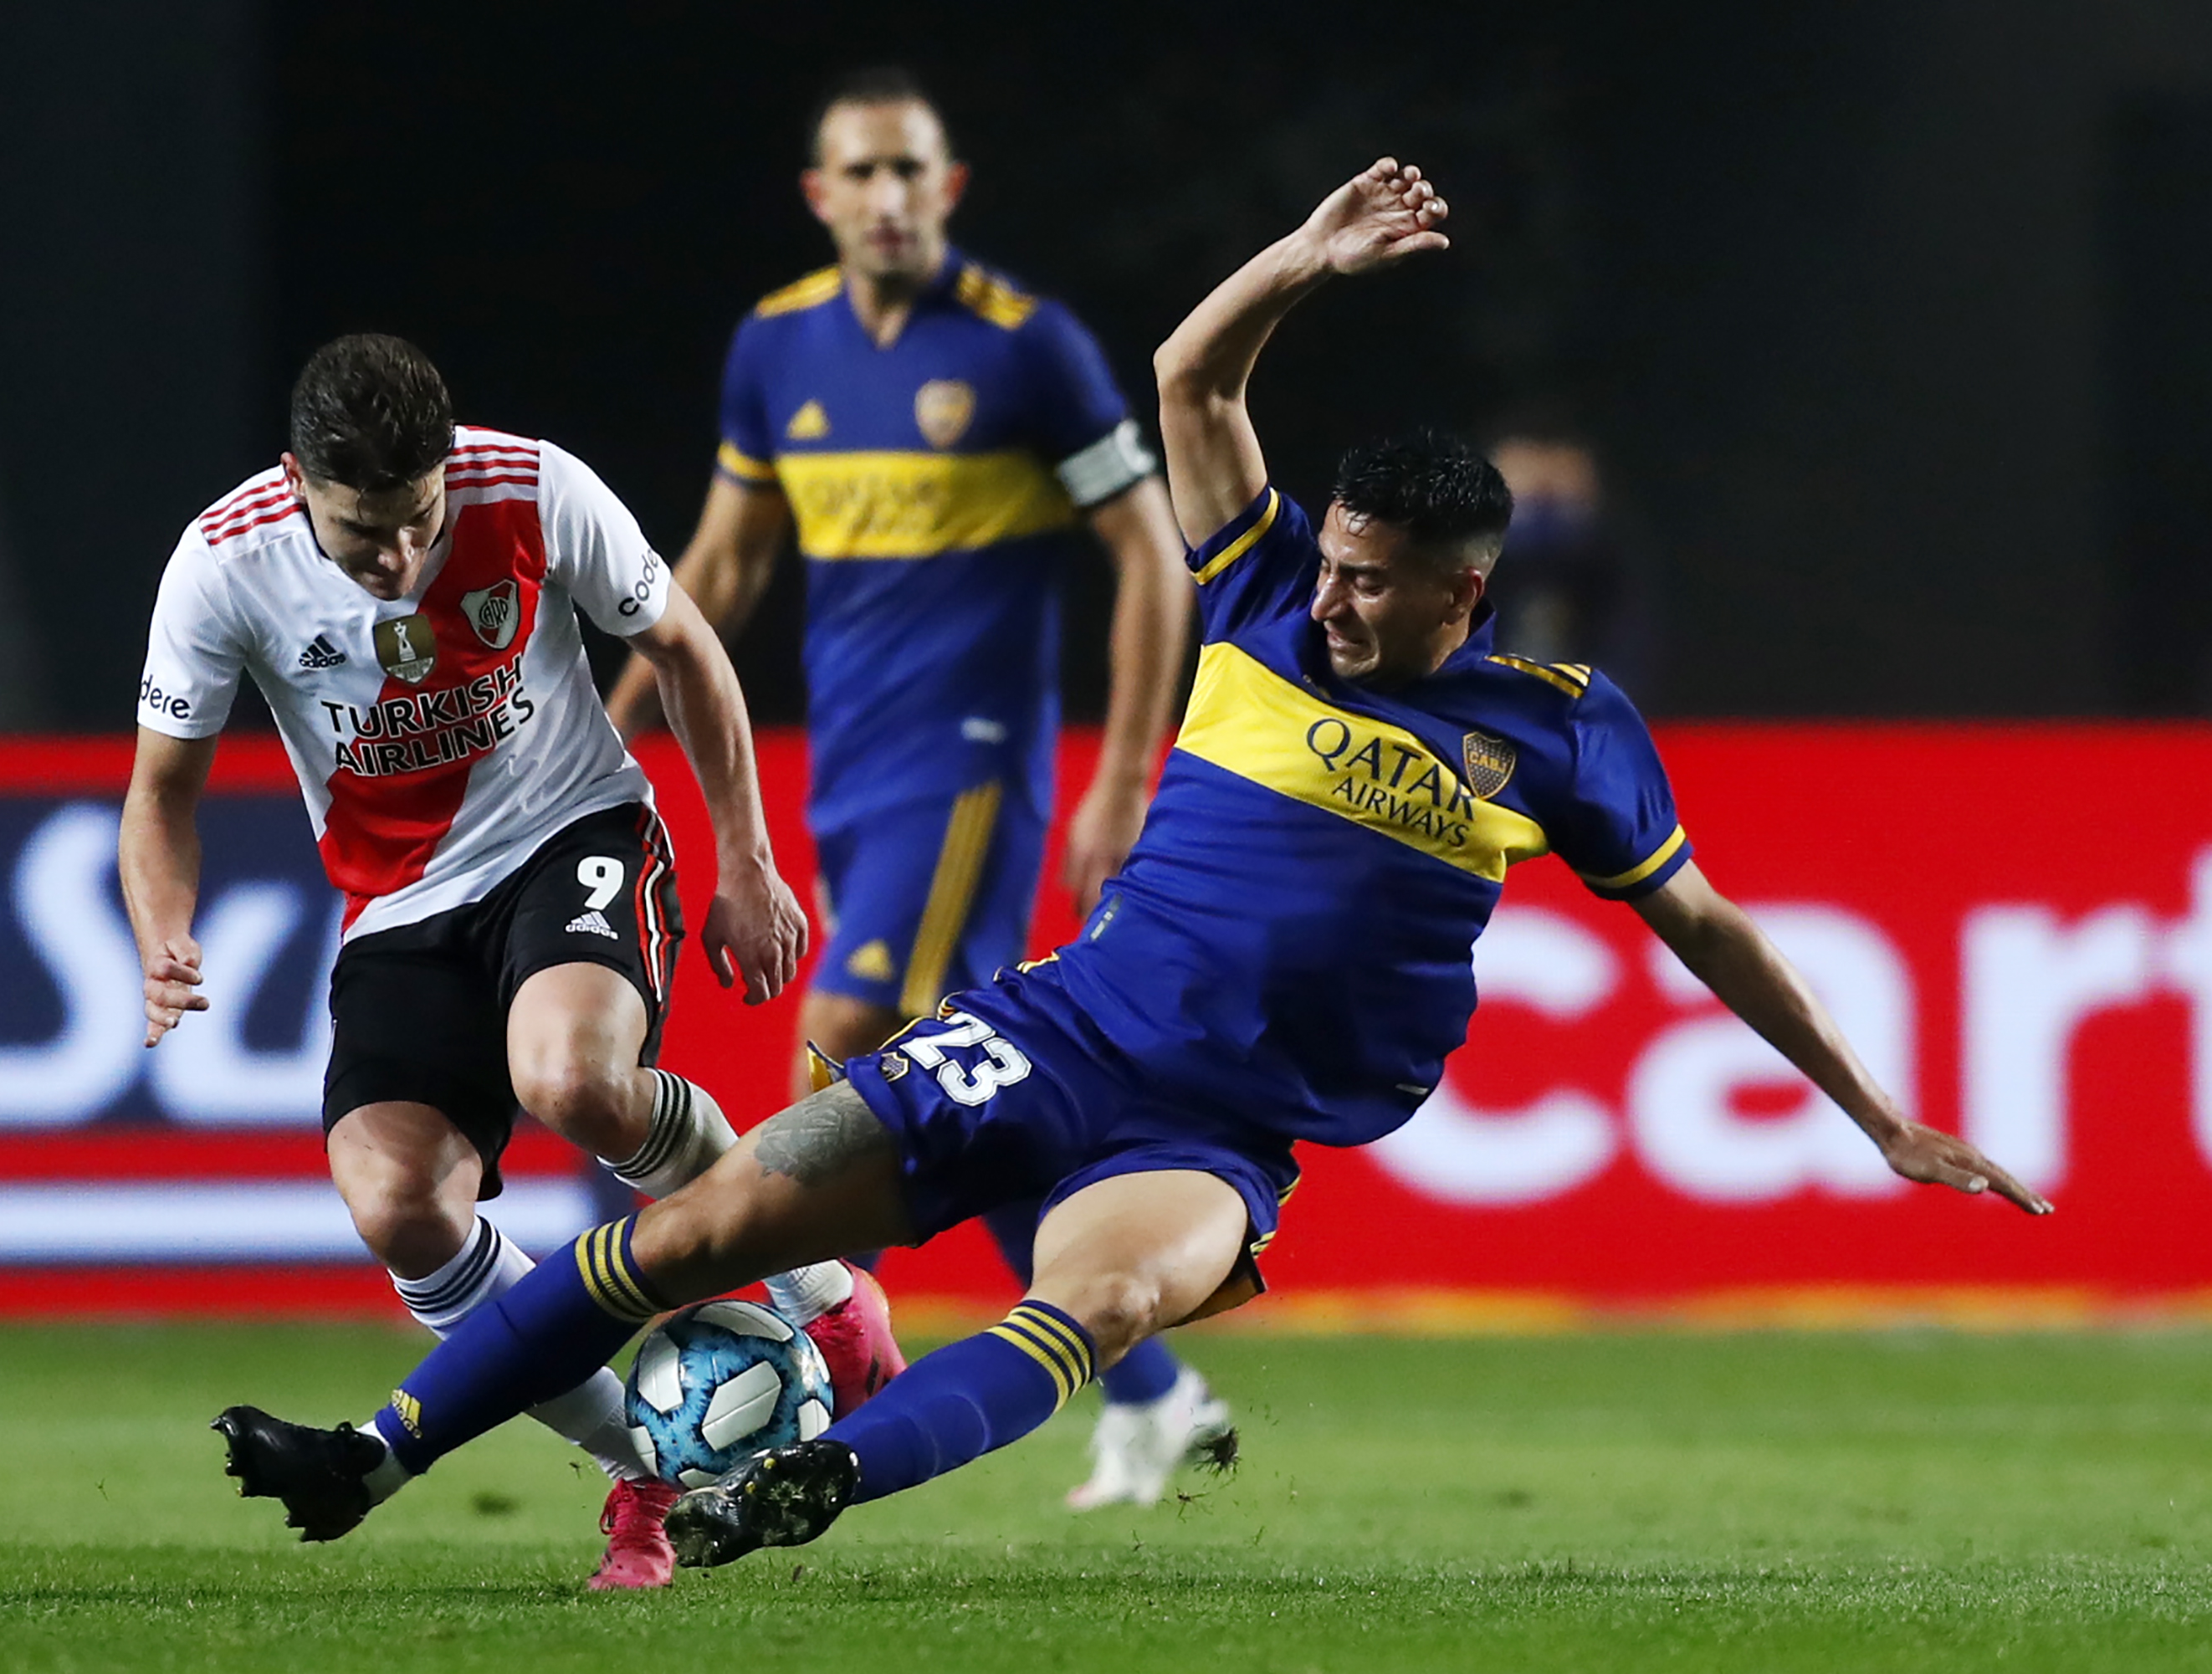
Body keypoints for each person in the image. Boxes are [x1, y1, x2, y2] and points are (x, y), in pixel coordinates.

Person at [210, 161, 2049, 1573]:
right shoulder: (1252, 591)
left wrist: (1876, 1110)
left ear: (1462, 592)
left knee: (1090, 1302)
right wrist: (1304, 264)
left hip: (1223, 1129)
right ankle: (366, 1456)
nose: (1329, 590)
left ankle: (803, 1480)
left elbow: (1710, 926)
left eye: (1374, 577)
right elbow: (1189, 374)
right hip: (1053, 1035)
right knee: (687, 1230)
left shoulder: (1558, 730)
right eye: (1327, 554)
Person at [122, 333, 902, 1589]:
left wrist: (744, 861)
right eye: (362, 531)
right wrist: (162, 931)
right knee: (396, 1203)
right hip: (398, 906)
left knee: (571, 1079)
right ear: (296, 479)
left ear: (448, 467)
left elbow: (691, 648)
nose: (397, 558)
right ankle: (643, 1465)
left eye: (417, 519)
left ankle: (816, 1278)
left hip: (571, 828)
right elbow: (161, 793)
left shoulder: (532, 487)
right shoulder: (224, 562)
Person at [601, 65, 1224, 1509]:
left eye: (912, 171)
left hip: (972, 773)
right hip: (851, 777)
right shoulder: (776, 348)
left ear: (949, 188)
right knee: (972, 1092)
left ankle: (794, 1366)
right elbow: (727, 565)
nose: (889, 197)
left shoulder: (1026, 350)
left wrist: (1123, 769)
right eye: (861, 174)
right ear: (821, 196)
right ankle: (1151, 1385)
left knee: (841, 1035)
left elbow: (1147, 550)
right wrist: (609, 724)